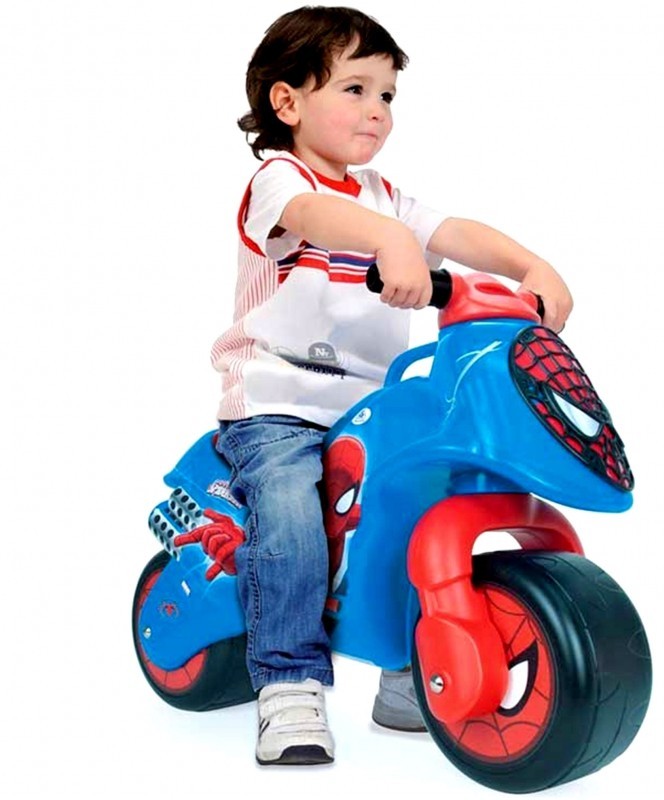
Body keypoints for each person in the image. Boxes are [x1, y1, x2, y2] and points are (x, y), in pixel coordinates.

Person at [210, 5, 573, 767]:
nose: (377, 109)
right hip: (278, 405)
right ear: (288, 102)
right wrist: (387, 240)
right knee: (290, 514)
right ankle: (287, 684)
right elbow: (318, 217)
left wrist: (531, 266)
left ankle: (410, 672)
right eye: (355, 89)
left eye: (387, 95)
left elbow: (457, 233)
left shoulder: (385, 194)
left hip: (371, 411)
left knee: (418, 506)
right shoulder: (279, 181)